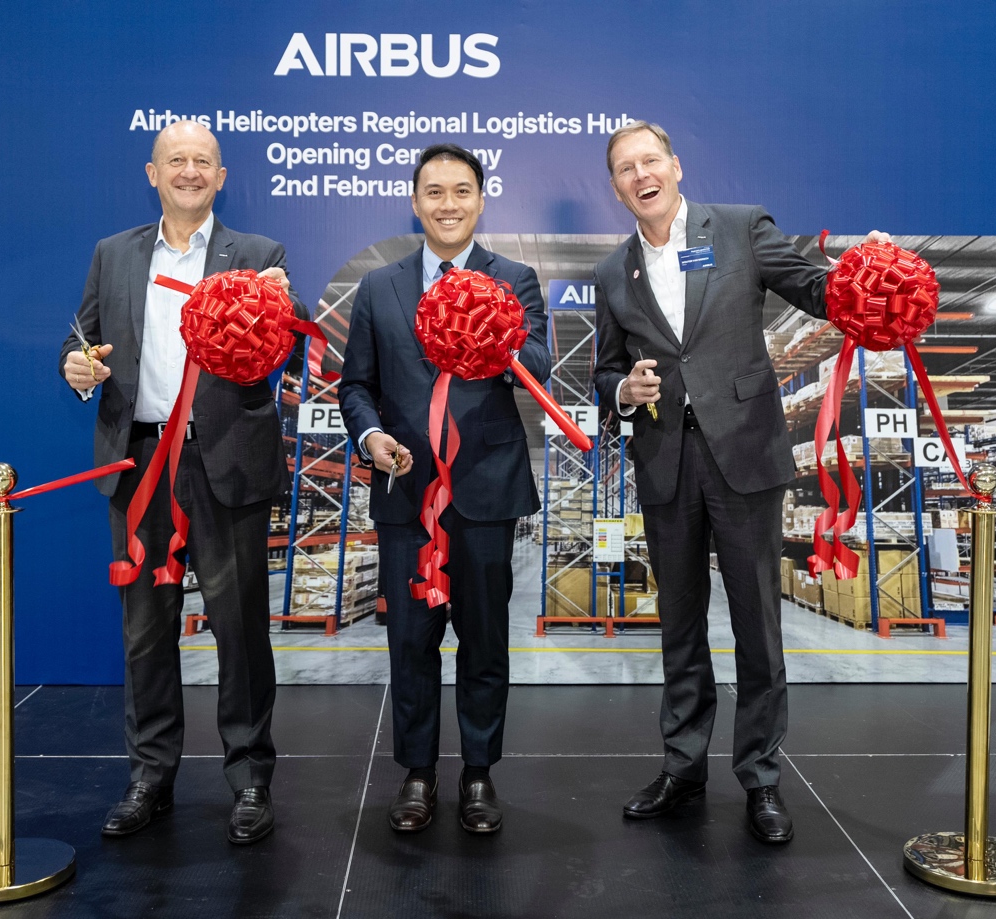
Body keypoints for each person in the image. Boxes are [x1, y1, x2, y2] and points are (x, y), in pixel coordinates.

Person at [591, 120, 889, 844]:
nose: (641, 174)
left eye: (650, 160)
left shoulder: (739, 228)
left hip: (745, 454)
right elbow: (605, 370)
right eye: (626, 168)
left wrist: (868, 270)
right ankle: (682, 768)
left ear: (676, 166)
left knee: (757, 623)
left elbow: (814, 288)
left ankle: (760, 777)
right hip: (665, 459)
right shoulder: (613, 272)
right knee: (679, 625)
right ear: (617, 187)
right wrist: (624, 390)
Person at [60, 119, 301, 845]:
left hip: (224, 458)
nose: (190, 170)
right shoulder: (113, 253)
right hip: (138, 461)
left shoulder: (258, 256)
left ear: (221, 177)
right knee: (145, 631)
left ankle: (250, 776)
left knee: (240, 629)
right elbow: (81, 340)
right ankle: (150, 776)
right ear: (153, 173)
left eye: (203, 160)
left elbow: (284, 355)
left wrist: (281, 311)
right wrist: (77, 369)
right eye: (176, 160)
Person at [338, 144, 550, 835]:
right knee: (410, 641)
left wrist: (491, 330)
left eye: (462, 190)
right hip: (406, 490)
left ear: (481, 200)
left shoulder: (513, 279)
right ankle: (418, 772)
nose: (448, 204)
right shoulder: (380, 286)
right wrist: (372, 437)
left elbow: (539, 366)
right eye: (434, 191)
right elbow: (356, 385)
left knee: (485, 641)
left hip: (485, 491)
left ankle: (479, 772)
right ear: (415, 201)